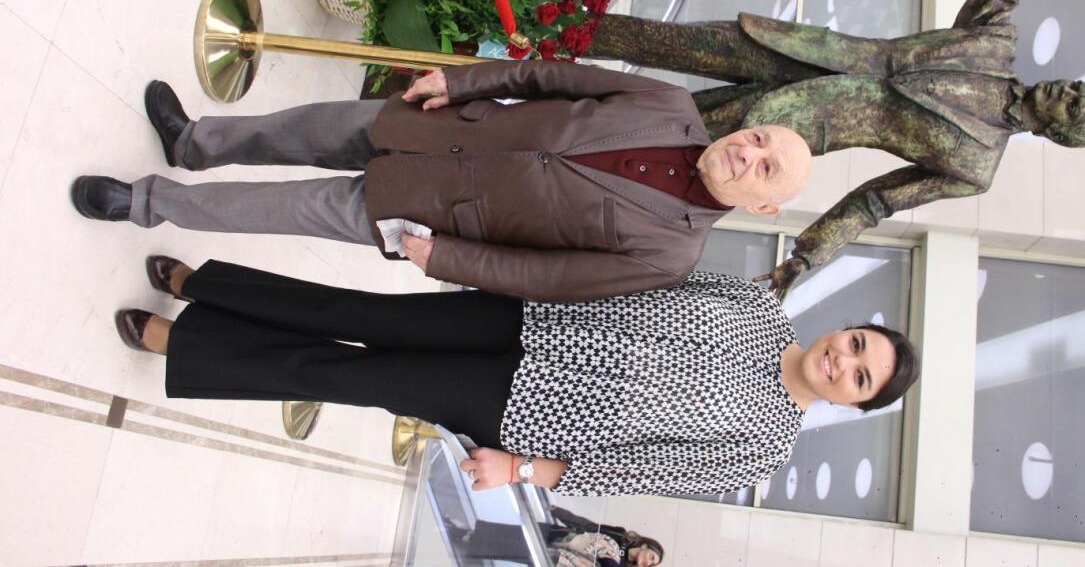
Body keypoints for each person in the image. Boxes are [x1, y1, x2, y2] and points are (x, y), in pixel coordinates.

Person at [585, 0, 1085, 294]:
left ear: (1060, 133)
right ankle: (550, 25)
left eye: (1073, 104)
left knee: (632, 127)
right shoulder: (992, 42)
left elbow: (875, 202)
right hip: (796, 49)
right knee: (654, 41)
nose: (1066, 90)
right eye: (1076, 86)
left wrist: (807, 257)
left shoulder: (973, 167)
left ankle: (540, 112)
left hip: (783, 131)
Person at [115, 257, 919, 497]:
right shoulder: (756, 303)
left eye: (858, 377)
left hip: (528, 410)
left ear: (852, 403)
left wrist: (524, 470)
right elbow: (645, 275)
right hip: (528, 320)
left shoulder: (764, 447)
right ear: (845, 326)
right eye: (857, 344)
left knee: (354, 375)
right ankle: (207, 286)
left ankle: (182, 344)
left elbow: (640, 469)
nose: (842, 360)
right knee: (363, 312)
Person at [71, 61, 811, 300]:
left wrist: (448, 260)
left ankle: (143, 203)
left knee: (281, 207)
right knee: (298, 127)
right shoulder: (672, 104)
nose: (748, 153)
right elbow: (551, 76)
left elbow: (548, 277)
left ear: (764, 204)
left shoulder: (671, 253)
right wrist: (462, 83)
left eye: (765, 167)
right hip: (442, 125)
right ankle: (192, 141)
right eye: (758, 138)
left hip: (436, 215)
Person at [461, 506, 664, 567]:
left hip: (559, 559)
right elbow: (589, 526)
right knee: (514, 534)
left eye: (652, 564)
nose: (648, 563)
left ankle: (468, 541)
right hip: (560, 537)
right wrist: (560, 513)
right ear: (646, 546)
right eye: (652, 557)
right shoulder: (620, 534)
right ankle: (467, 533)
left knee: (517, 551)